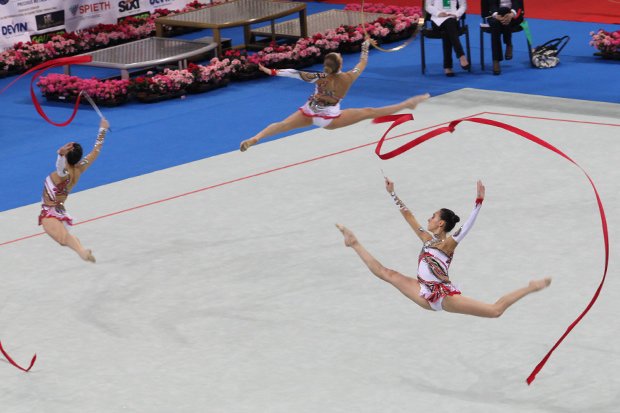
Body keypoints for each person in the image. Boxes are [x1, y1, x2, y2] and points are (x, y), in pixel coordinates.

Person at [336, 178, 551, 317]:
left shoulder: (447, 245)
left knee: (495, 311)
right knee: (387, 273)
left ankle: (530, 287)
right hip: (422, 290)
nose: (428, 219)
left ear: (441, 223)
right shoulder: (427, 239)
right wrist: (393, 193)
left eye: (433, 216)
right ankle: (353, 243)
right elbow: (408, 215)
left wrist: (478, 203)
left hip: (441, 296)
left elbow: (466, 228)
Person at [239, 38, 430, 152]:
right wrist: (365, 46)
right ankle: (407, 104)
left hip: (308, 112)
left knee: (282, 125)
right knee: (370, 111)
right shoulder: (347, 78)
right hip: (330, 119)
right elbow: (362, 64)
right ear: (339, 65)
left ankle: (256, 137)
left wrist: (271, 71)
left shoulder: (318, 77)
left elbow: (293, 73)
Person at [39, 118, 110, 262]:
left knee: (64, 239)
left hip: (50, 212)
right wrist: (102, 130)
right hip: (59, 210)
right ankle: (82, 250)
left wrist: (60, 153)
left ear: (66, 156)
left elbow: (59, 167)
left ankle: (82, 252)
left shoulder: (63, 173)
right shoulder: (79, 167)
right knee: (67, 238)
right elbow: (96, 150)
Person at [425, 0, 471, 77]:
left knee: (449, 26)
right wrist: (438, 13)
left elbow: (463, 5)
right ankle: (461, 55)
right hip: (437, 20)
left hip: (452, 18)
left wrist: (456, 14)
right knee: (449, 28)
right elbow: (428, 6)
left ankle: (448, 66)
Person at [485, 0, 524, 75]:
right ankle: (508, 43)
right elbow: (491, 4)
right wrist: (496, 15)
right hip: (495, 16)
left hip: (514, 16)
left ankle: (496, 60)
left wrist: (511, 14)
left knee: (504, 11)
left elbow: (517, 3)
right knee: (496, 23)